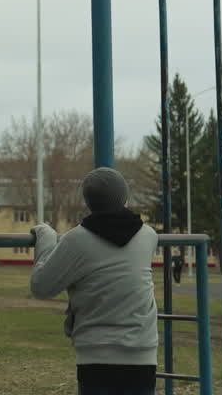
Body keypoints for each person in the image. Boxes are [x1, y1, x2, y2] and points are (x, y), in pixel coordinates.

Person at [31, 168, 159, 395]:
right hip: (143, 352)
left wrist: (46, 241)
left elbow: (42, 287)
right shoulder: (149, 236)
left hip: (96, 355)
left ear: (87, 201)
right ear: (125, 197)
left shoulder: (76, 240)